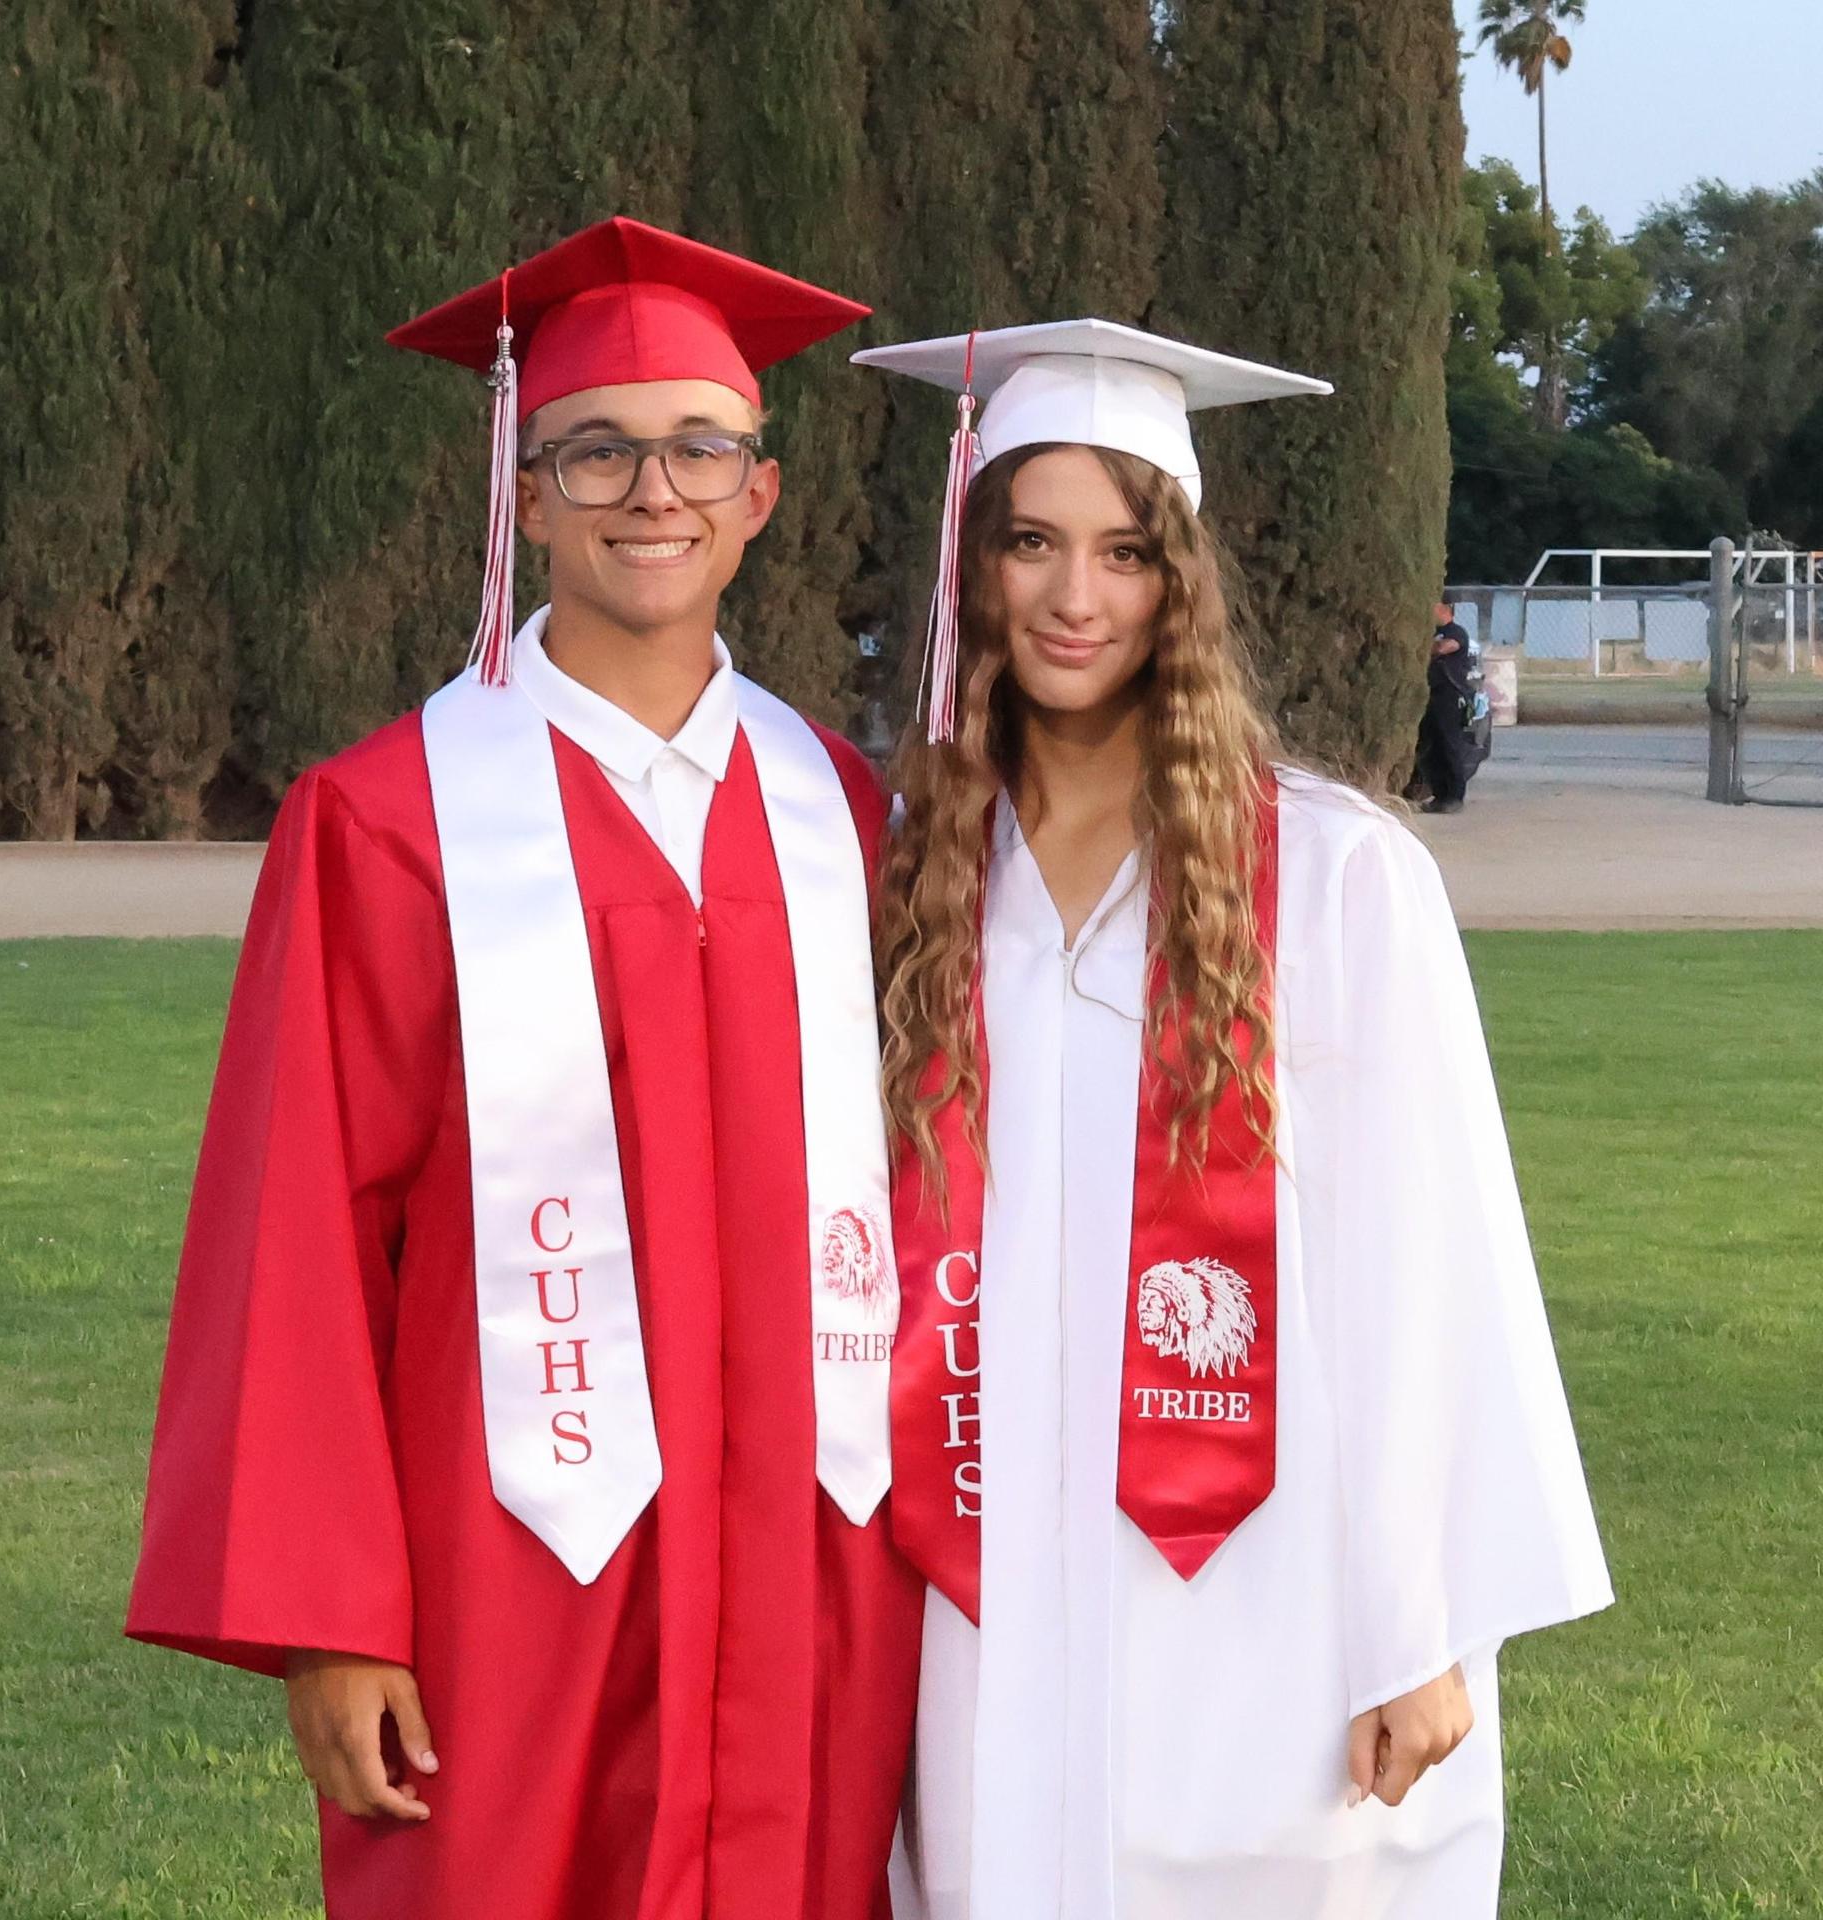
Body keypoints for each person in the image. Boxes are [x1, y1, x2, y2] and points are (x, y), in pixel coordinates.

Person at [128, 217, 921, 1920]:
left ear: (762, 496)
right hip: (514, 1569)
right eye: (600, 451)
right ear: (526, 491)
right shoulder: (391, 821)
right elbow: (295, 1238)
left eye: (701, 446)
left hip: (807, 1559)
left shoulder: (843, 822)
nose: (657, 492)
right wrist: (331, 1620)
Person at [855, 320, 1613, 1920]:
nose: (1076, 599)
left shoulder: (1338, 880)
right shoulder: (916, 876)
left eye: (1125, 552)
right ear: (973, 566)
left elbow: (1431, 1260)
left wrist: (1419, 1620)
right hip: (987, 1542)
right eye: (1033, 544)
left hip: (1270, 1563)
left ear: (1178, 580)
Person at [1417, 598, 1479, 813]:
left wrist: (1424, 646)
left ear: (1445, 609)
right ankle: (1439, 795)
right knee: (1431, 748)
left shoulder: (1456, 631)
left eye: (1434, 606)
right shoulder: (1429, 631)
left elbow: (1445, 647)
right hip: (1429, 696)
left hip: (1449, 697)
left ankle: (1454, 795)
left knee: (1449, 744)